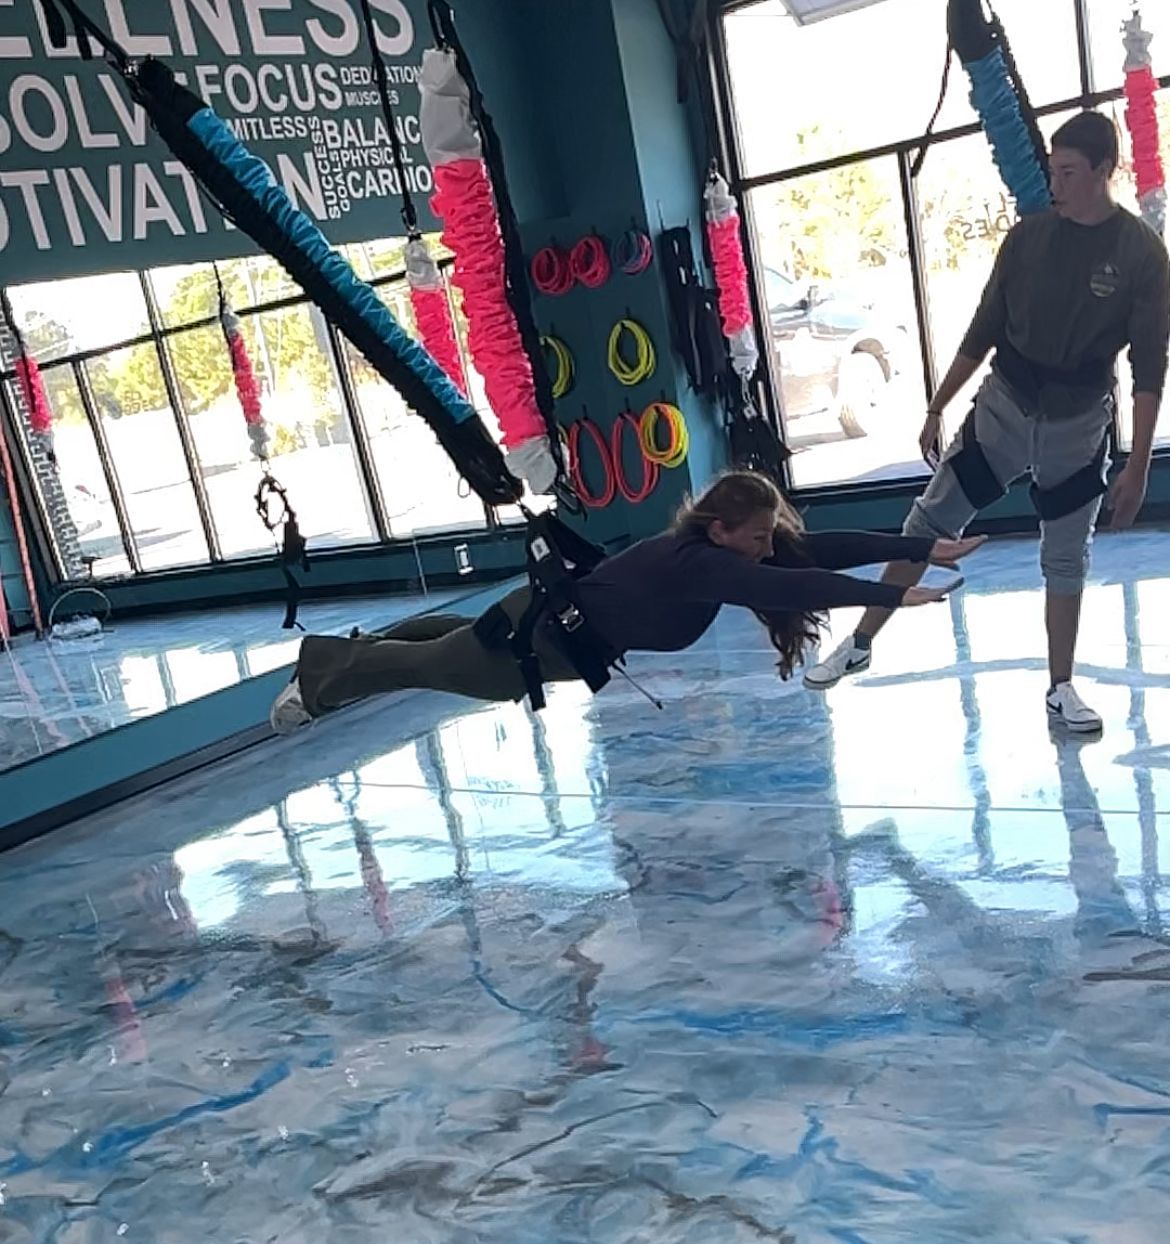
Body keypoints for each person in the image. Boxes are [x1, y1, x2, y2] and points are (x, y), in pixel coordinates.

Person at [805, 110, 1170, 733]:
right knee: (928, 522)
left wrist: (1136, 467)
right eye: (1052, 171)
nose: (1054, 184)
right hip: (1005, 404)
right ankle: (862, 639)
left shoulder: (1141, 253)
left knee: (1065, 556)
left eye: (1068, 172)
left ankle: (1060, 688)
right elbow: (982, 330)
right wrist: (937, 405)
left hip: (1078, 424)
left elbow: (1149, 367)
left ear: (1105, 172)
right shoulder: (1026, 240)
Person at [269, 470, 983, 734]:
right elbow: (786, 584)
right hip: (538, 641)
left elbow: (809, 552)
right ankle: (318, 678)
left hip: (543, 620)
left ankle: (344, 658)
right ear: (720, 529)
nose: (769, 549)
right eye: (759, 537)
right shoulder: (703, 566)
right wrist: (889, 592)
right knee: (422, 668)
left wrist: (920, 547)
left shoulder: (724, 550)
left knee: (439, 647)